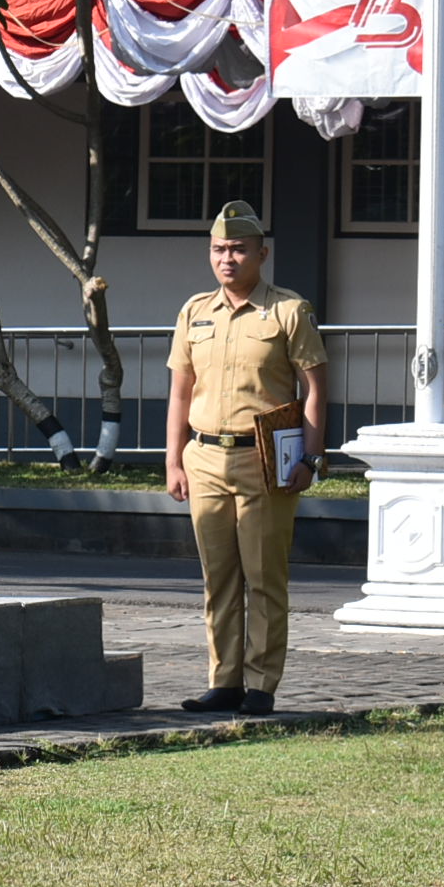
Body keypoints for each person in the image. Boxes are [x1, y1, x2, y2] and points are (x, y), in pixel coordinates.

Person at [164, 200, 329, 717]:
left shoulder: (286, 310)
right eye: (218, 249)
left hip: (264, 460)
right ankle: (224, 680)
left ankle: (260, 683)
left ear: (262, 253)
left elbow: (315, 388)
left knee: (263, 577)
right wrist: (173, 461)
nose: (227, 259)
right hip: (206, 456)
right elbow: (180, 391)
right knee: (219, 579)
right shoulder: (195, 311)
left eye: (237, 249)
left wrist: (312, 457)